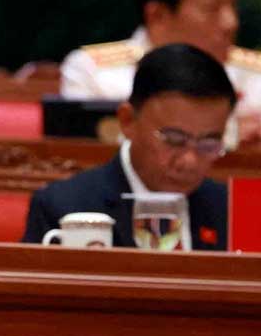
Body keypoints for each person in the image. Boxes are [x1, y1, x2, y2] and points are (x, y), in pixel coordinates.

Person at [60, 0, 261, 150]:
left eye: (232, 5)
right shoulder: (92, 71)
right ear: (158, 15)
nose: (231, 22)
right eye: (213, 8)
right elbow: (87, 161)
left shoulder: (253, 74)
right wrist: (229, 134)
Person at [24, 44, 236, 250]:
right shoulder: (62, 207)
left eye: (208, 143)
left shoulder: (232, 211)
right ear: (127, 121)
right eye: (174, 139)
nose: (189, 161)